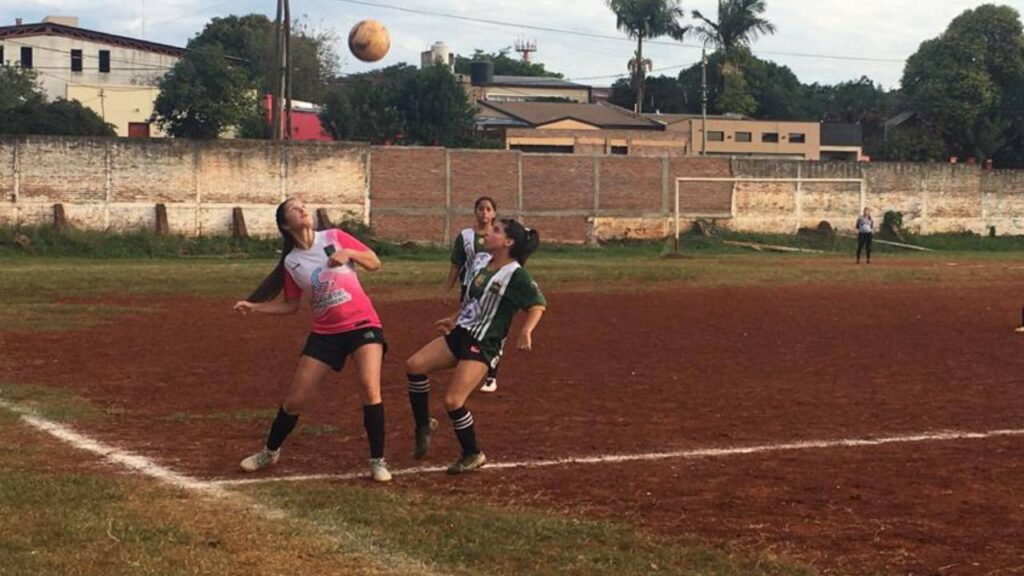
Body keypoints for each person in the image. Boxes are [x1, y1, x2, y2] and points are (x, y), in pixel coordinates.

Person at [233, 197, 392, 482]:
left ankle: (378, 461)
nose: (303, 209)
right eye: (295, 208)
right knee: (295, 400)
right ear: (285, 224)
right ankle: (270, 451)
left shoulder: (335, 236)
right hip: (326, 333)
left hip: (363, 324)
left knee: (370, 388)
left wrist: (350, 254)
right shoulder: (292, 262)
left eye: (304, 205)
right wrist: (256, 307)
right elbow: (290, 306)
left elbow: (375, 263)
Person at [408, 218, 546, 474]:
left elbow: (538, 304)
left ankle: (473, 453)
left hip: (483, 344)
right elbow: (473, 300)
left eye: (496, 231)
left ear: (508, 242)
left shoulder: (516, 274)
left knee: (453, 400)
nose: (489, 232)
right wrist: (454, 318)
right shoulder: (484, 263)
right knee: (415, 366)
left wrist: (526, 331)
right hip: (461, 333)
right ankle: (424, 425)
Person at [443, 196, 502, 393]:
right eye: (481, 209)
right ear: (475, 211)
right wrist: (447, 288)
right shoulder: (466, 236)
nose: (484, 213)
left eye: (488, 209)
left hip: (493, 293)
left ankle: (491, 375)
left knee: (490, 331)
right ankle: (467, 369)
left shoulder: (500, 235)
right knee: (466, 329)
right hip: (470, 291)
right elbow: (456, 264)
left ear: (494, 213)